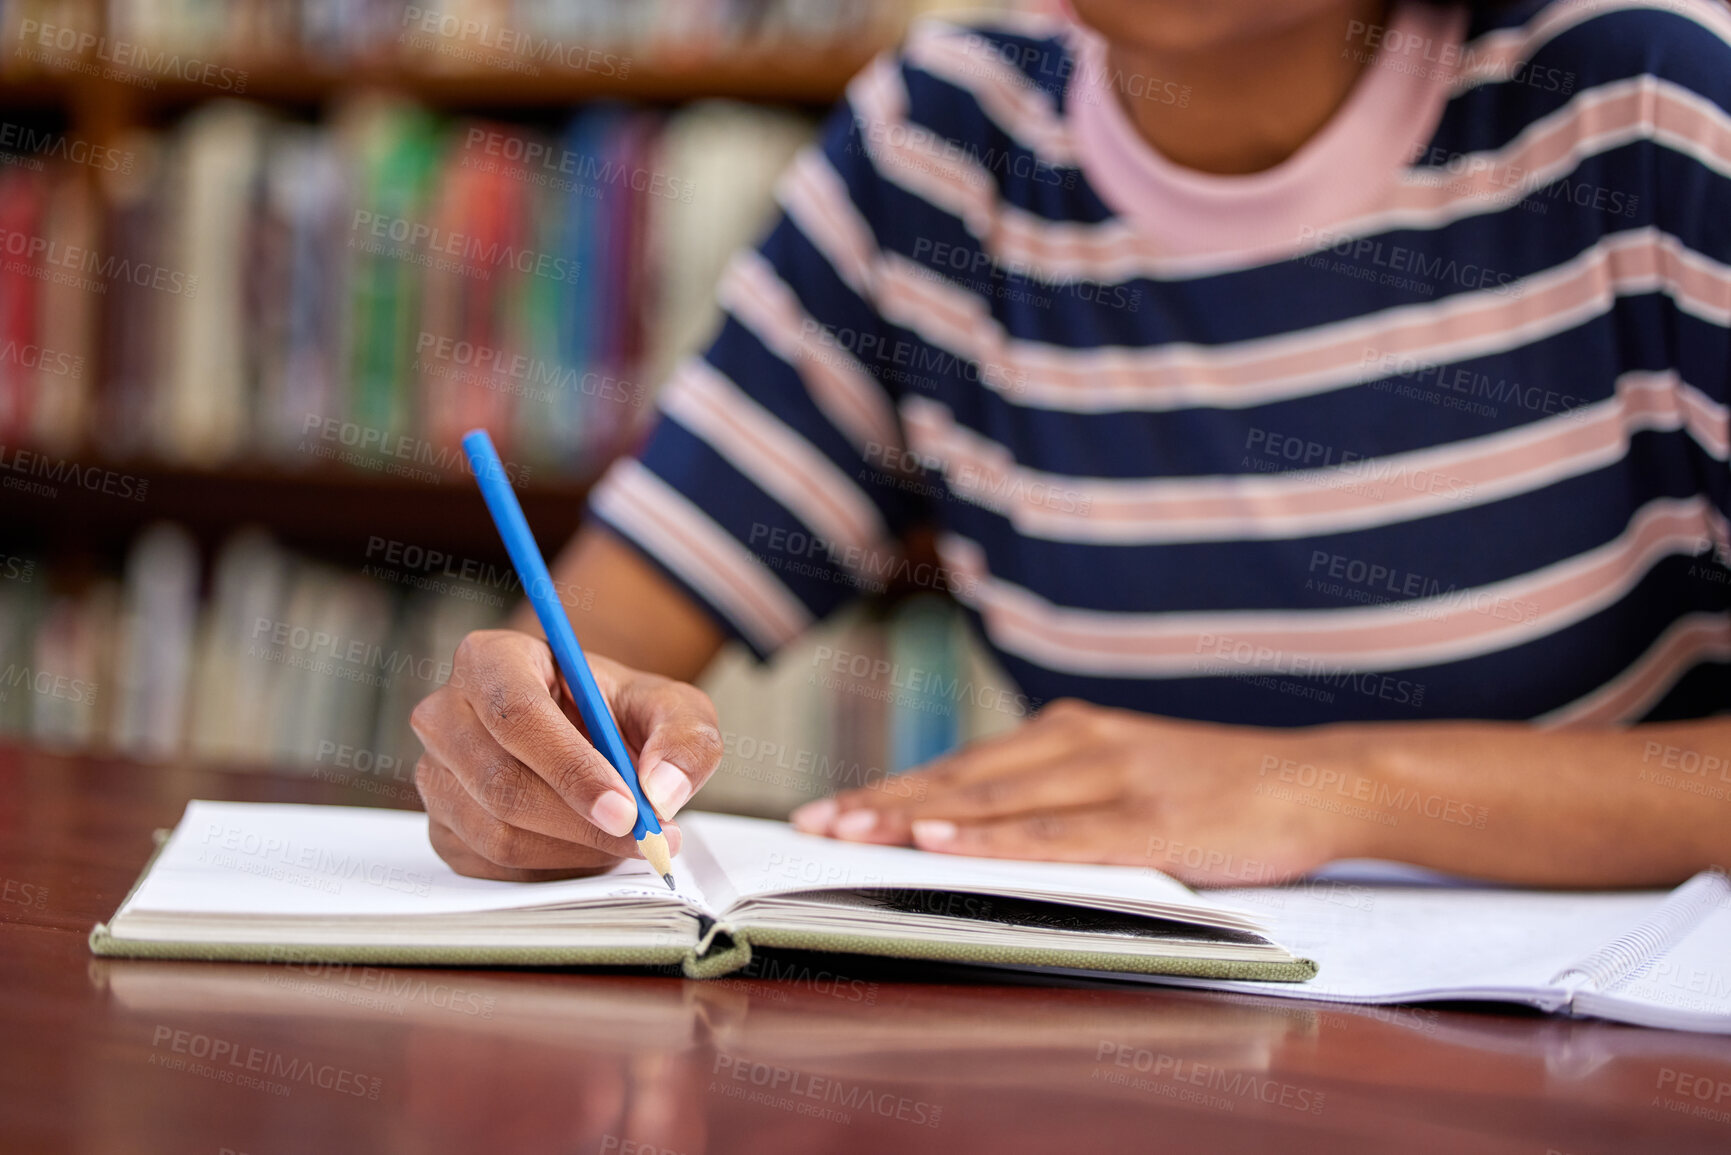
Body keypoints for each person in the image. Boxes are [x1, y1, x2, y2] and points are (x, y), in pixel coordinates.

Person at [409, 0, 1731, 888]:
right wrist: (535, 750)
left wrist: (1335, 790)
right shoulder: (943, 145)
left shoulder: (1653, 110)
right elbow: (601, 647)